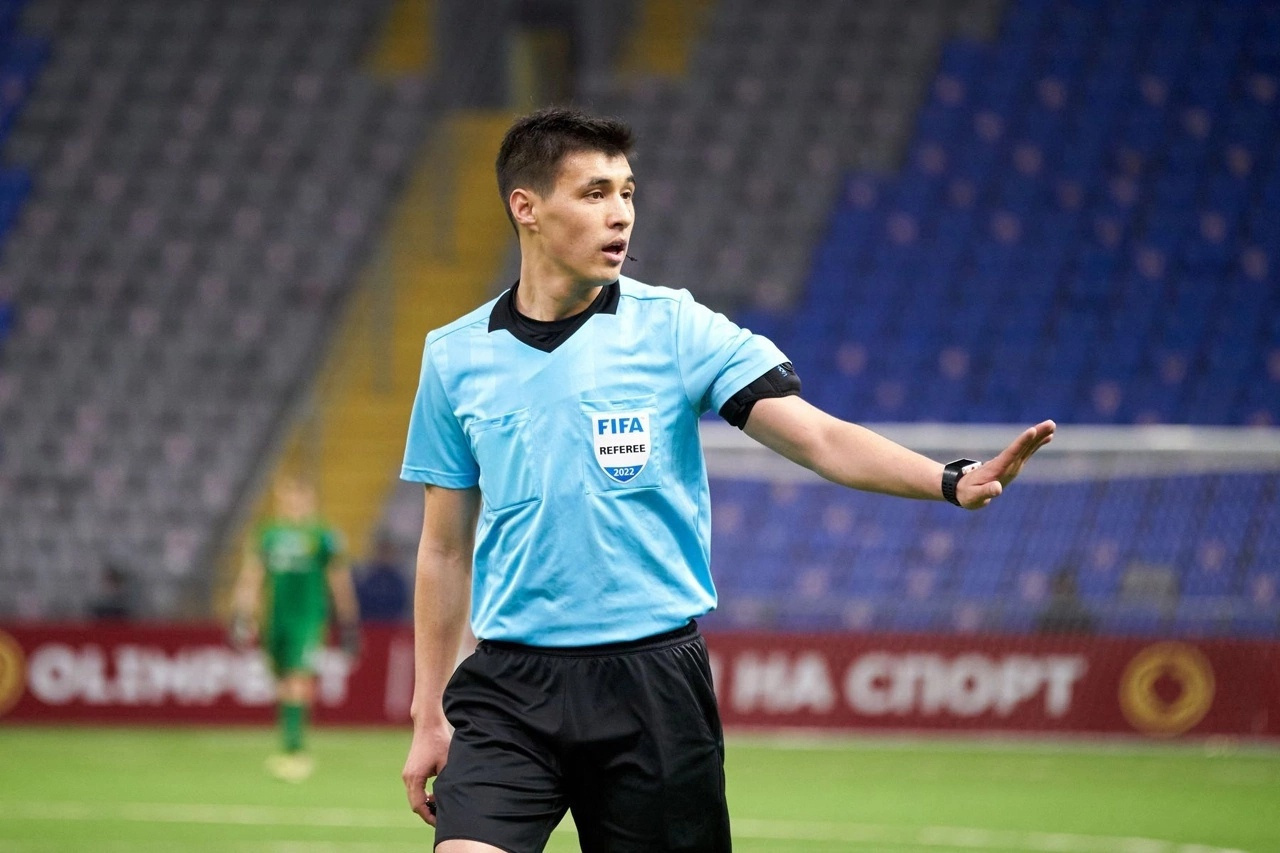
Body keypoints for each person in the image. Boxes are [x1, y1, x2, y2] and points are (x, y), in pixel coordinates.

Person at [399, 107, 1056, 852]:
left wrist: (948, 480)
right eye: (594, 193)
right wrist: (429, 714)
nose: (621, 214)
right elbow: (444, 550)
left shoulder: (676, 328)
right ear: (527, 208)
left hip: (651, 685)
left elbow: (819, 438)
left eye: (627, 192)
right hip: (510, 686)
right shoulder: (454, 356)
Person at [231, 475, 360, 782]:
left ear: (310, 500)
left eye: (299, 497)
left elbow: (339, 579)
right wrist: (242, 613)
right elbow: (252, 575)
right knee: (282, 680)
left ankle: (294, 750)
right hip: (275, 619)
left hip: (308, 618)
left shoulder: (323, 536)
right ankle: (288, 742)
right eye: (288, 497)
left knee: (298, 677)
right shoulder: (268, 535)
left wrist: (349, 621)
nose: (294, 503)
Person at [354, 535, 411, 623]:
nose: (386, 556)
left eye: (388, 552)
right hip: (370, 623)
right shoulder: (369, 578)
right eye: (383, 552)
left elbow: (402, 603)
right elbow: (363, 600)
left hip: (394, 623)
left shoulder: (398, 579)